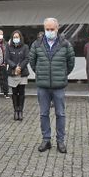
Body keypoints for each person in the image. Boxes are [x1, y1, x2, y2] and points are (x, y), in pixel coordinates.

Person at [30, 18, 75, 153]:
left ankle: (60, 141)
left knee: (60, 114)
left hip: (58, 86)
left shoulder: (65, 44)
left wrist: (62, 74)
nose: (49, 31)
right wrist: (40, 73)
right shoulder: (37, 44)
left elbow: (70, 63)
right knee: (44, 114)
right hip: (42, 86)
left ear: (57, 28)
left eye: (52, 29)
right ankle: (46, 140)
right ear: (44, 29)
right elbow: (33, 62)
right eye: (47, 29)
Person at [5, 30, 30, 121]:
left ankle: (21, 111)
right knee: (14, 92)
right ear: (12, 38)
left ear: (20, 38)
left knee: (22, 92)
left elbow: (27, 58)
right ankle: (16, 110)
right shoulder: (8, 46)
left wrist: (20, 67)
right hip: (12, 72)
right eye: (14, 37)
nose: (16, 39)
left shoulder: (25, 47)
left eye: (17, 37)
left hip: (22, 73)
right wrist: (15, 67)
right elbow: (7, 59)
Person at [0, 29, 9, 98]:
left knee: (5, 79)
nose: (1, 35)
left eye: (2, 34)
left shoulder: (6, 43)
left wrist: (6, 62)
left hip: (4, 64)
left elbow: (7, 53)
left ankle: (6, 93)